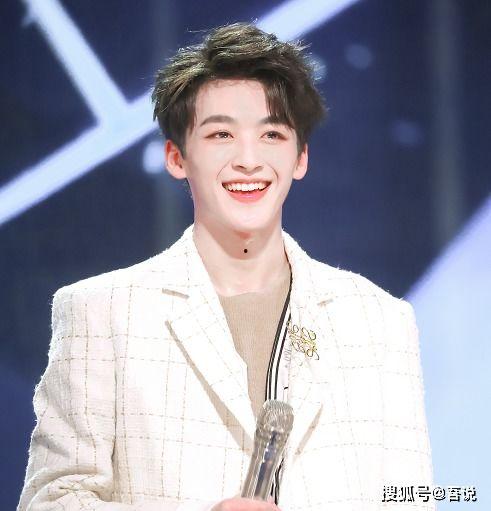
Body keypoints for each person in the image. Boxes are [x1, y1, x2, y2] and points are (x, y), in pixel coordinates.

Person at [18, 23, 434, 511]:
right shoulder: (101, 313)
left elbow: (411, 498)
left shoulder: (379, 321)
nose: (248, 160)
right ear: (177, 157)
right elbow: (52, 499)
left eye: (272, 134)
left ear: (300, 157)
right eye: (221, 134)